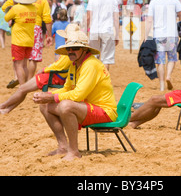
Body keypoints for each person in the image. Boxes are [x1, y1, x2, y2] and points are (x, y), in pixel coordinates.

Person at [32, 30, 118, 161]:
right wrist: (46, 95)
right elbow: (66, 88)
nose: (71, 51)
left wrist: (51, 97)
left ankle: (73, 151)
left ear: (84, 50)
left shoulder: (90, 65)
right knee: (45, 104)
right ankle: (63, 147)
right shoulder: (76, 64)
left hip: (105, 111)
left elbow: (78, 95)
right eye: (69, 48)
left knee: (66, 106)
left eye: (75, 48)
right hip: (89, 107)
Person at [0, 24, 81, 115]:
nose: (64, 39)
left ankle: (3, 106)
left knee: (22, 89)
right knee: (23, 89)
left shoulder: (70, 50)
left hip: (54, 76)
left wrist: (44, 69)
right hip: (56, 75)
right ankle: (6, 109)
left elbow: (59, 66)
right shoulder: (74, 49)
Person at [2, 0, 53, 81]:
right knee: (33, 58)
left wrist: (13, 15)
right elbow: (47, 19)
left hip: (20, 27)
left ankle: (17, 77)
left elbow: (4, 7)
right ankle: (29, 80)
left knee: (18, 57)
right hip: (36, 28)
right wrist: (49, 35)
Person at [4, 0, 37, 86]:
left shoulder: (16, 8)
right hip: (30, 40)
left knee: (18, 65)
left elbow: (6, 18)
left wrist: (14, 6)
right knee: (24, 65)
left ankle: (22, 87)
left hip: (18, 41)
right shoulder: (34, 8)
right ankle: (25, 85)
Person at [86, 0, 120, 71]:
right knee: (106, 60)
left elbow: (88, 17)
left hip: (94, 30)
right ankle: (104, 82)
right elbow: (116, 19)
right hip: (107, 31)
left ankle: (94, 81)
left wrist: (85, 32)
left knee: (93, 58)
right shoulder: (113, 0)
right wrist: (117, 35)